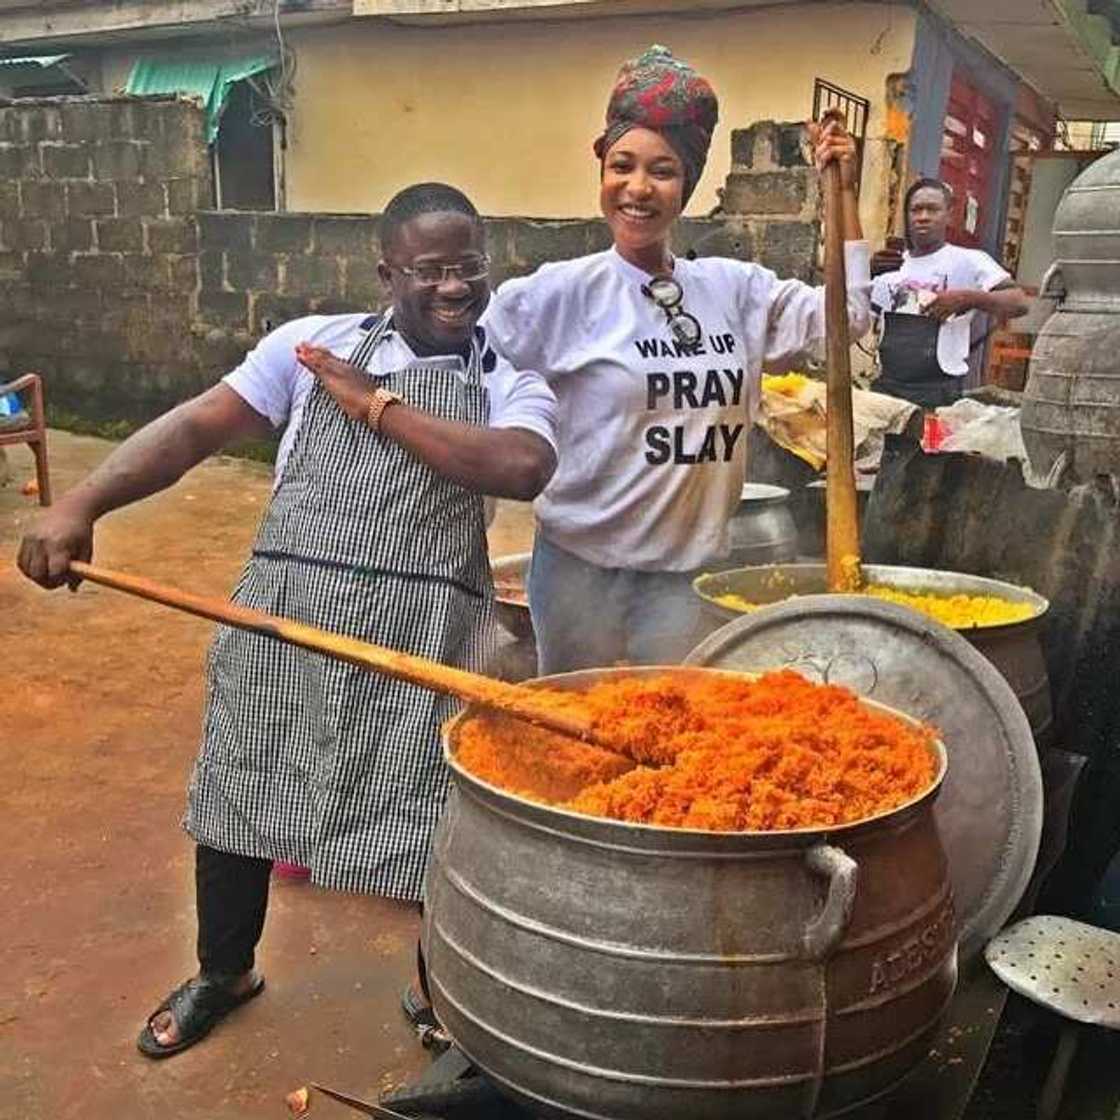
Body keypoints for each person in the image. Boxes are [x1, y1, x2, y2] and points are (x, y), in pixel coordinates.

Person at [16, 182, 558, 1058]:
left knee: (424, 819)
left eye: (469, 267)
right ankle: (223, 972)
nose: (454, 287)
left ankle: (445, 998)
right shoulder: (311, 350)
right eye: (429, 271)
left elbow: (520, 465)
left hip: (416, 637)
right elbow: (197, 428)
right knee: (238, 792)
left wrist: (375, 405)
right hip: (281, 617)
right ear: (387, 273)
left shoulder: (506, 377)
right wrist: (82, 500)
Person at [481, 45, 871, 674]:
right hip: (581, 575)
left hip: (687, 582)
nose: (638, 189)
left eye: (661, 171)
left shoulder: (735, 290)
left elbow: (846, 318)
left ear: (686, 183)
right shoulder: (556, 295)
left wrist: (847, 194)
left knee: (671, 742)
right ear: (601, 170)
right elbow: (463, 372)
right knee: (581, 740)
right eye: (622, 166)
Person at [870, 177, 1029, 409]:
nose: (923, 216)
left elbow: (1019, 303)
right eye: (916, 209)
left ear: (949, 214)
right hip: (887, 388)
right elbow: (851, 310)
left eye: (932, 209)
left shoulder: (967, 260)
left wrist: (966, 298)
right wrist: (866, 272)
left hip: (938, 392)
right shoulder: (891, 265)